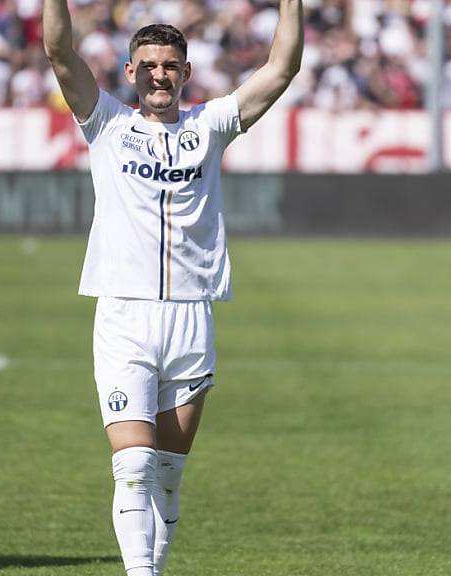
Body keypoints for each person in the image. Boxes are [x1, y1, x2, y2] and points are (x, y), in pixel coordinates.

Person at [42, 2, 303, 575]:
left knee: (166, 476)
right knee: (133, 467)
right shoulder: (107, 122)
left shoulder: (210, 125)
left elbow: (282, 67)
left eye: (169, 66)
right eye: (148, 65)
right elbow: (59, 51)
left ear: (186, 72)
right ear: (130, 71)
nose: (159, 75)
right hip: (125, 316)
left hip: (191, 316)